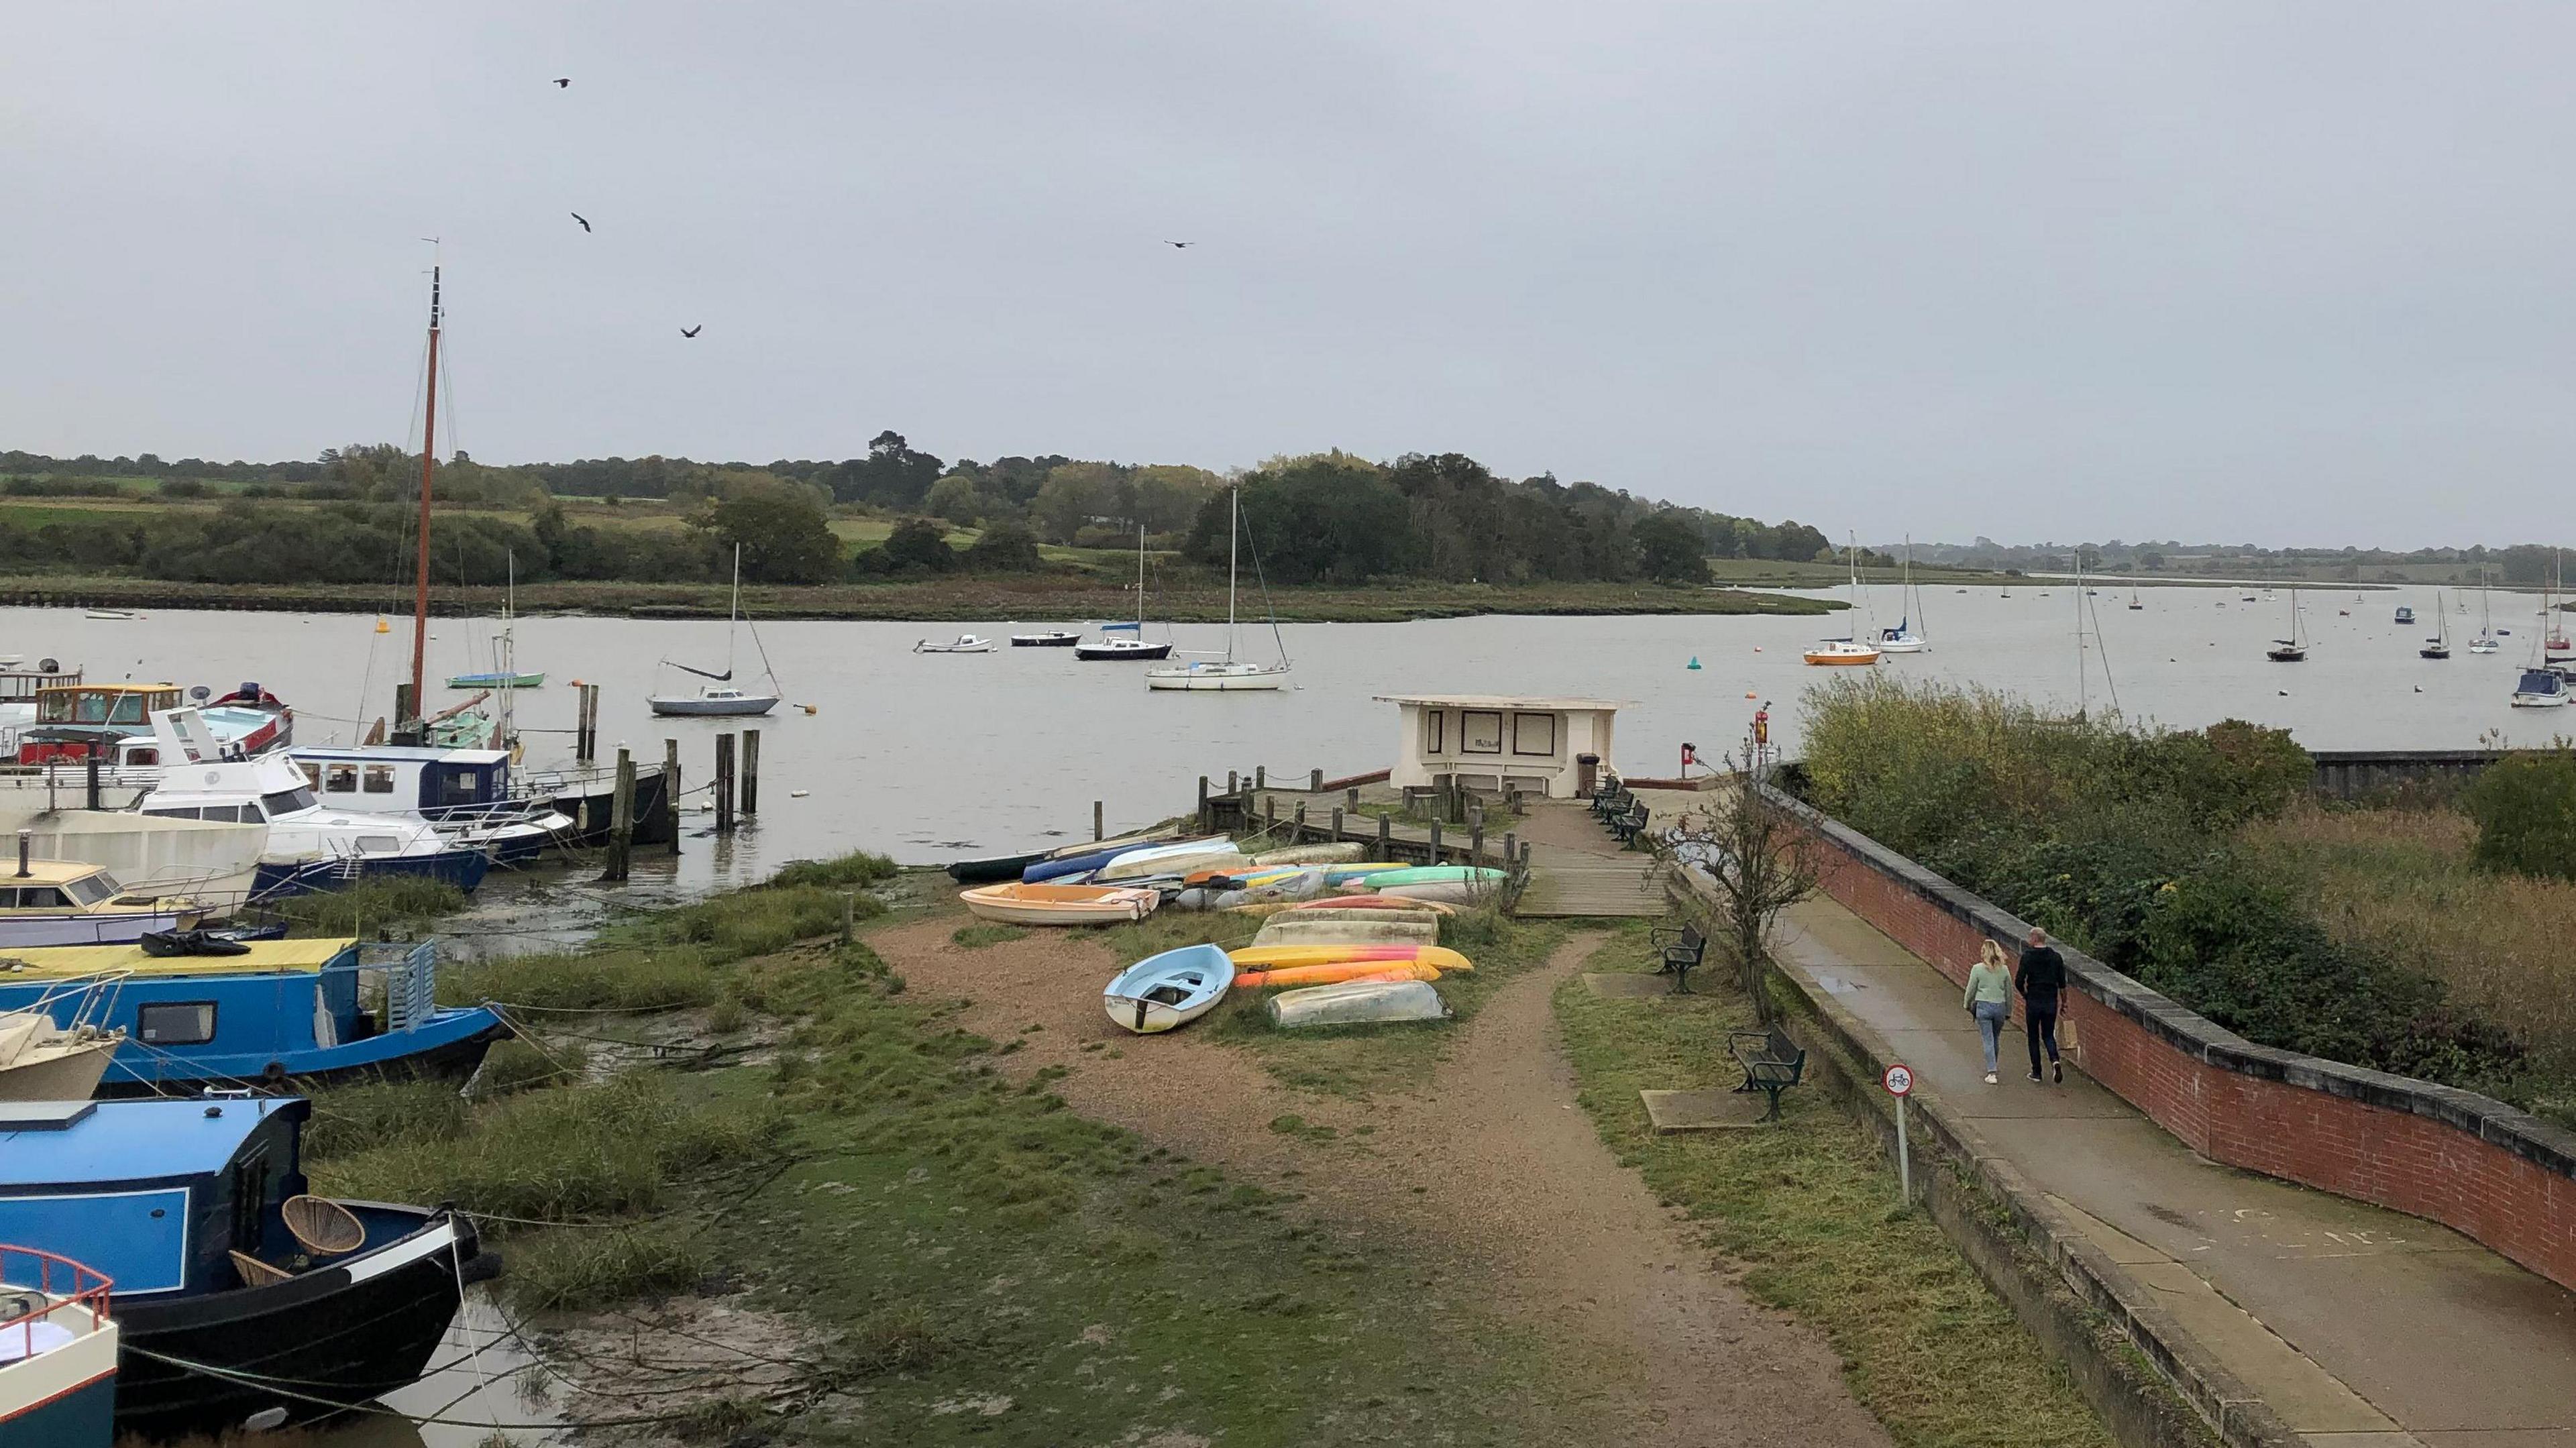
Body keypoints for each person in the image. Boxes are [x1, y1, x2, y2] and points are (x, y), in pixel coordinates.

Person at [2017, 927, 2066, 1083]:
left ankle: (2036, 1072)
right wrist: (2064, 1002)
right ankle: (2055, 1060)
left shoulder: (2028, 957)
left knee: (2033, 1036)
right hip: (2050, 1001)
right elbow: (2062, 984)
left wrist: (2025, 995)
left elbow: (2019, 981)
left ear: (2034, 939)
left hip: (2034, 1000)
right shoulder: (2056, 958)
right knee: (2048, 1034)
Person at [1963, 940, 2015, 1084]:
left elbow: (1971, 989)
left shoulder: (1977, 969)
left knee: (1987, 1039)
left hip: (1984, 1006)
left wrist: (1967, 1004)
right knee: (1995, 1037)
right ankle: (1994, 1066)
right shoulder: (2004, 970)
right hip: (2000, 1007)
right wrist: (2009, 1010)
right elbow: (2009, 992)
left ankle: (1992, 1072)